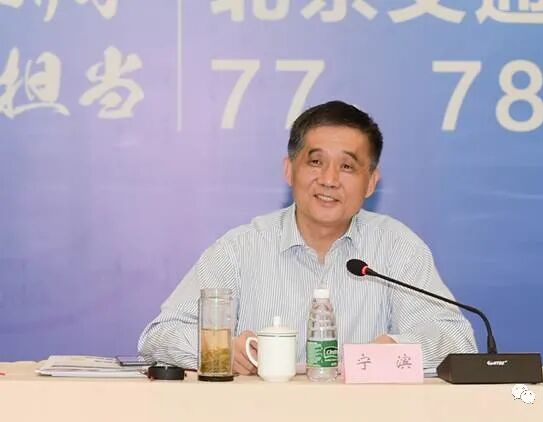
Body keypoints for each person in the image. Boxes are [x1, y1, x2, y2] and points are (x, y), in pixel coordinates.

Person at [138, 100, 477, 374]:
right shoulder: (240, 249)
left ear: (371, 182)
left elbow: (456, 340)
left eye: (347, 166)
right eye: (315, 162)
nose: (329, 179)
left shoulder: (396, 247)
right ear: (289, 170)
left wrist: (397, 349)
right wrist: (224, 350)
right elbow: (159, 336)